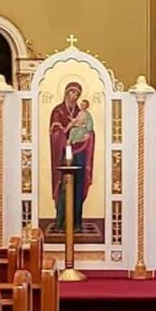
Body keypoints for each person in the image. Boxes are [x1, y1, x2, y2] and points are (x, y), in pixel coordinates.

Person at [49, 82, 94, 232]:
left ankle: (77, 223)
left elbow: (90, 130)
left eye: (77, 94)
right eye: (73, 92)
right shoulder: (58, 111)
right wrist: (66, 131)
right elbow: (55, 132)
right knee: (63, 187)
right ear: (66, 93)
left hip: (80, 152)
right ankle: (61, 222)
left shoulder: (83, 113)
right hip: (64, 153)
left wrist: (87, 136)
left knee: (78, 187)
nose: (75, 96)